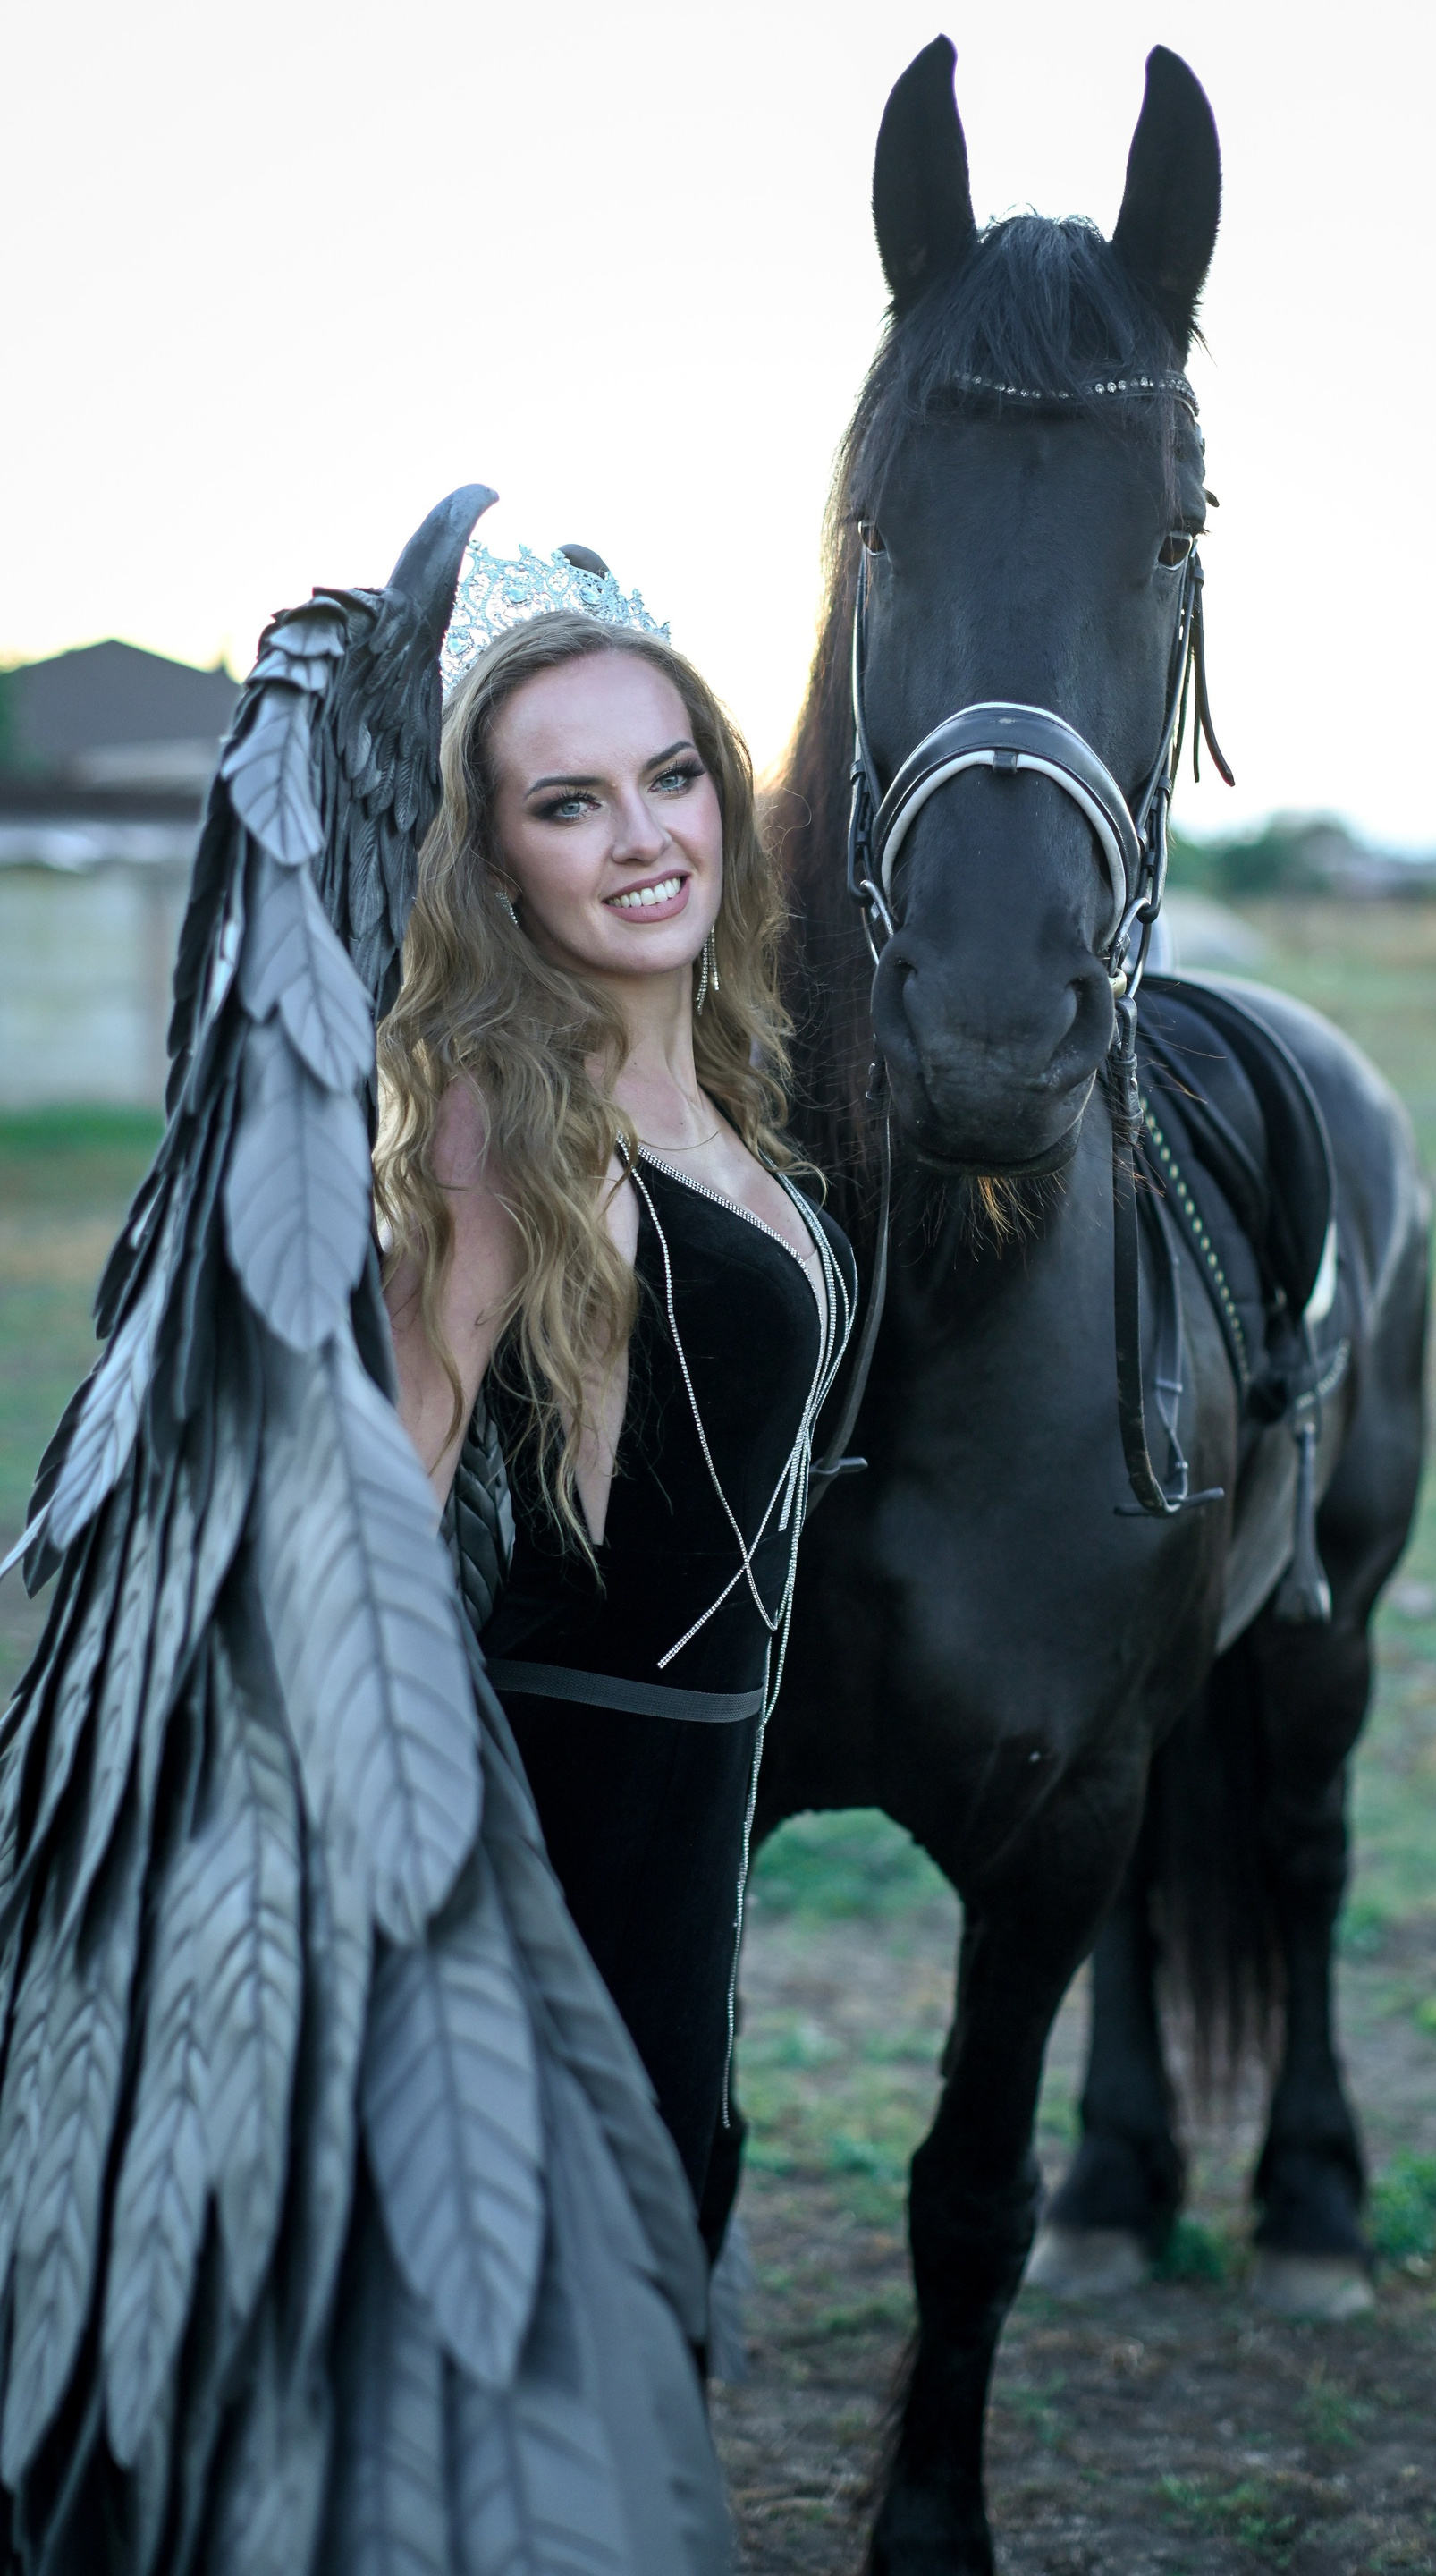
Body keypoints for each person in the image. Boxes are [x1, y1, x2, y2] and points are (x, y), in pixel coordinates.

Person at [375, 597, 854, 2245]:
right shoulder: (498, 1123)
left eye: (672, 777)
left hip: (700, 1812)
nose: (645, 838)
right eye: (571, 804)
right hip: (560, 1816)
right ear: (497, 865)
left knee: (663, 2228)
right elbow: (391, 1502)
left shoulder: (727, 1099)